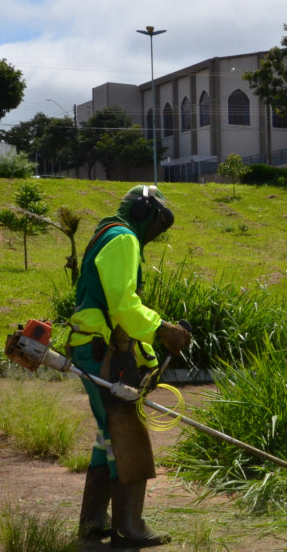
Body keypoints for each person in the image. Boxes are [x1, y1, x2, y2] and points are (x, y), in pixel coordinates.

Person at [67, 185, 191, 548]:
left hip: (97, 345)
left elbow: (116, 305)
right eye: (157, 221)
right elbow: (123, 305)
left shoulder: (108, 233)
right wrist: (162, 330)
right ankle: (129, 528)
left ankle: (93, 522)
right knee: (127, 433)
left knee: (109, 431)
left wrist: (147, 349)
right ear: (144, 212)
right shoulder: (123, 239)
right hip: (102, 349)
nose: (156, 230)